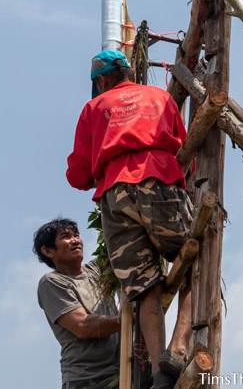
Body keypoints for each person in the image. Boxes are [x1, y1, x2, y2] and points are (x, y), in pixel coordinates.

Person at [66, 50, 194, 389]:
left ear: (101, 80)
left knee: (143, 286)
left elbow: (78, 174)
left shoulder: (94, 108)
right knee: (194, 260)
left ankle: (159, 370)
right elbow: (183, 148)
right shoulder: (160, 97)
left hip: (114, 193)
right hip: (159, 179)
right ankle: (179, 347)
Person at [33, 218, 121, 389]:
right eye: (66, 236)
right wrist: (127, 320)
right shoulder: (52, 282)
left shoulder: (97, 270)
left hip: (123, 371)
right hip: (89, 380)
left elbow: (121, 247)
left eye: (77, 235)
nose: (75, 240)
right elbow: (83, 326)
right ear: (48, 250)